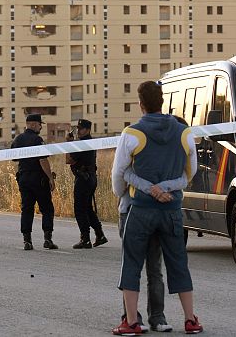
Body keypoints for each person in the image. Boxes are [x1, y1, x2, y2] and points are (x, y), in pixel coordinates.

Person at [111, 81, 202, 335]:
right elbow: (190, 171)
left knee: (132, 263)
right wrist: (166, 188)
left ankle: (131, 321)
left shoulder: (133, 133)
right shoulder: (184, 132)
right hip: (171, 210)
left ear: (140, 104)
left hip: (140, 208)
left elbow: (119, 172)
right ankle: (189, 319)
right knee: (176, 263)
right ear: (163, 102)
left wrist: (126, 194)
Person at [11, 113, 58, 250]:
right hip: (38, 180)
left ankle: (27, 241)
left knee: (27, 209)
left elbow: (13, 158)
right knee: (47, 209)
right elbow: (43, 160)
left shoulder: (18, 139)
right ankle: (47, 239)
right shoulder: (37, 140)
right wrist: (50, 178)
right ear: (33, 124)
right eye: (39, 125)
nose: (40, 128)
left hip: (24, 179)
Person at [65, 119, 107, 249]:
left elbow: (68, 160)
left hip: (83, 179)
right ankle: (99, 234)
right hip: (90, 178)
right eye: (77, 128)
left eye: (81, 128)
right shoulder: (89, 142)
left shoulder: (82, 144)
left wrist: (68, 143)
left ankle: (85, 238)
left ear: (88, 130)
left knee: (80, 209)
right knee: (87, 208)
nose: (78, 131)